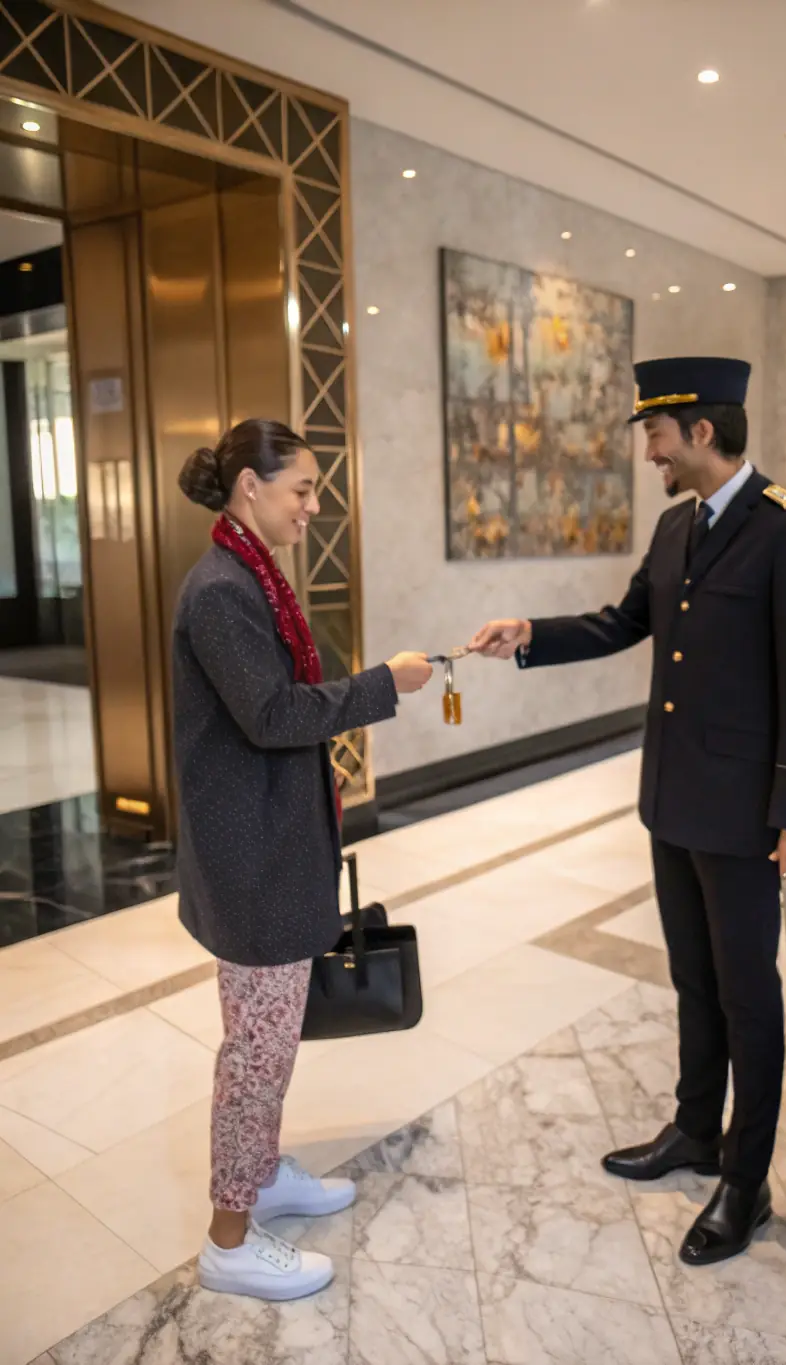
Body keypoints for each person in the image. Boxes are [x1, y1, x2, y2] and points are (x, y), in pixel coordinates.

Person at [470, 357, 786, 1267]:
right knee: (693, 980)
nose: (650, 454)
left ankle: (745, 1182)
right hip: (673, 800)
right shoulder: (677, 528)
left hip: (747, 815)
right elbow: (621, 621)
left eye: (656, 435)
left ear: (702, 432)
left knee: (750, 997)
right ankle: (694, 1130)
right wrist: (530, 637)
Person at [174, 419, 432, 1301]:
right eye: (304, 490)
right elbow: (273, 715)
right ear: (251, 485)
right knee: (256, 1050)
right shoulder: (219, 592)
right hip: (249, 858)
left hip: (269, 842)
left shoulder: (249, 574)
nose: (315, 507)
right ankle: (228, 1236)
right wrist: (380, 687)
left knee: (274, 1042)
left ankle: (265, 1177)